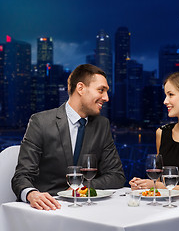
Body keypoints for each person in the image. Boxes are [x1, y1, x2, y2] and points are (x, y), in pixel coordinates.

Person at [12, 64, 126, 210]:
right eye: (101, 90)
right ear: (80, 88)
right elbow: (21, 176)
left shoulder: (102, 125)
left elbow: (116, 176)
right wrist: (32, 194)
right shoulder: (41, 122)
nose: (106, 98)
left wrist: (82, 188)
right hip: (48, 208)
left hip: (88, 208)